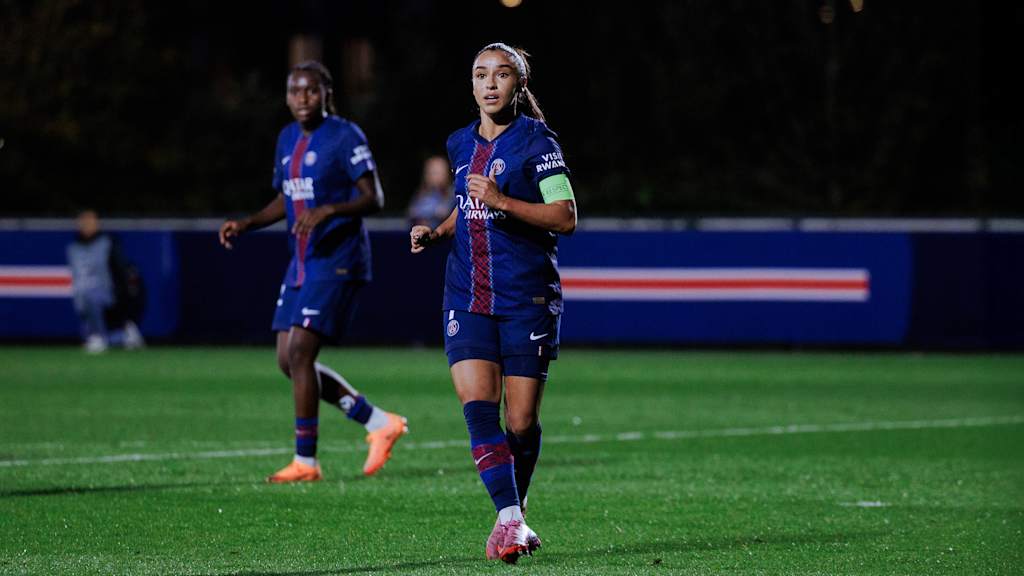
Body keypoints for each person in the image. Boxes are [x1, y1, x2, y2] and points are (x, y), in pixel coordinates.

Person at [409, 43, 577, 564]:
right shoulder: (459, 142)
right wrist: (437, 232)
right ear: (472, 84)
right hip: (466, 294)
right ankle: (509, 518)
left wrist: (503, 201)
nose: (490, 83)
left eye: (501, 75)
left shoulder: (538, 142)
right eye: (481, 74)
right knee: (479, 408)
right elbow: (466, 206)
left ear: (518, 86)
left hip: (526, 296)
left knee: (520, 422)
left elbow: (565, 215)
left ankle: (515, 511)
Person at [219, 60, 407, 483]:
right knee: (288, 360)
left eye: (310, 90)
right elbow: (285, 198)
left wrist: (329, 210)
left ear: (326, 94)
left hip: (339, 258)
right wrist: (248, 223)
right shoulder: (287, 137)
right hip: (302, 261)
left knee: (301, 353)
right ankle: (378, 422)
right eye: (294, 91)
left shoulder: (344, 135)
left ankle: (306, 461)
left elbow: (374, 197)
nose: (302, 98)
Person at [66, 209, 145, 353]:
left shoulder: (106, 243)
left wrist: (120, 294)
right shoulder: (73, 248)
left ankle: (101, 336)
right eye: (83, 222)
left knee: (96, 333)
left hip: (106, 293)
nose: (87, 225)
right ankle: (125, 336)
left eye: (90, 222)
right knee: (86, 335)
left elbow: (120, 270)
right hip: (85, 298)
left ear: (97, 224)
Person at [406, 155, 456, 229]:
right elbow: (412, 213)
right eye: (434, 172)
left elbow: (446, 211)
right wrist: (434, 211)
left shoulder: (453, 193)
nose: (437, 176)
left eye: (440, 172)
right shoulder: (421, 194)